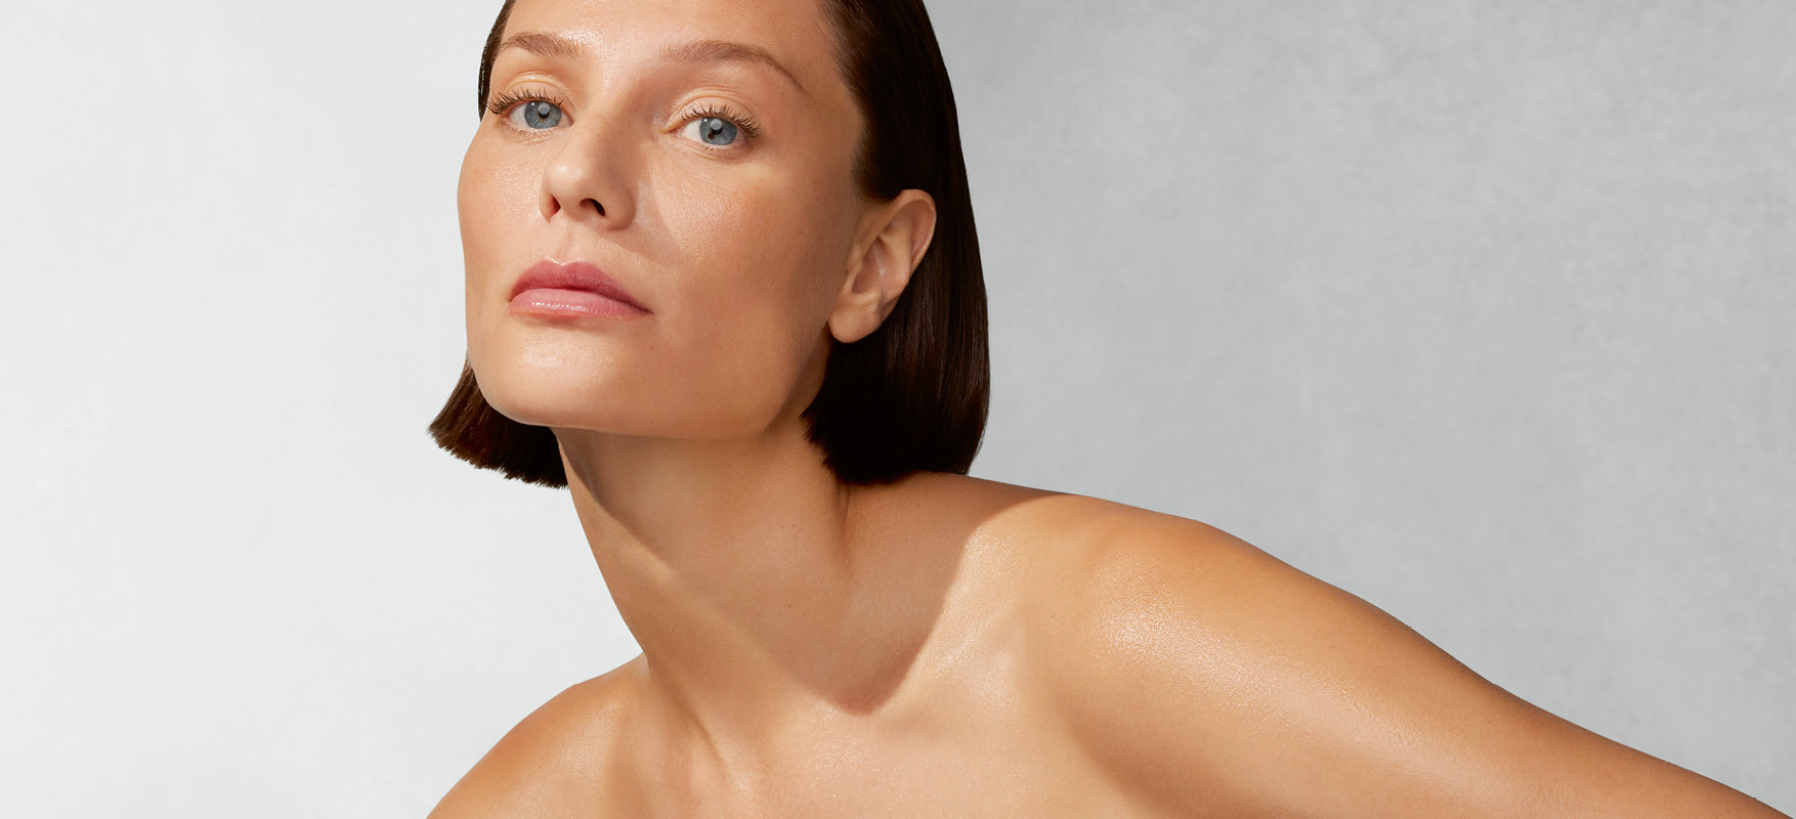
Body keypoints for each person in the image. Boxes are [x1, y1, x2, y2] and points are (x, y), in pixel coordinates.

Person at [423, 0, 1790, 815]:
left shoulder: (1105, 636)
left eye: (713, 124)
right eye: (534, 105)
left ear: (872, 262)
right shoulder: (527, 802)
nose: (579, 177)